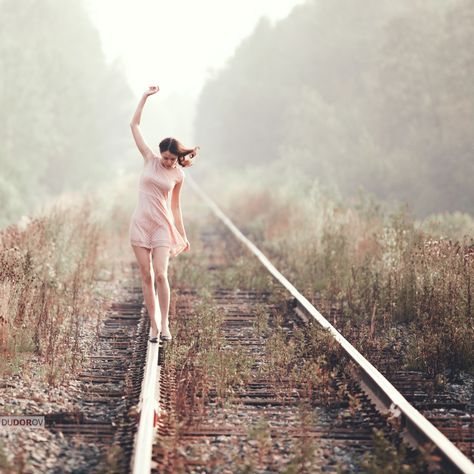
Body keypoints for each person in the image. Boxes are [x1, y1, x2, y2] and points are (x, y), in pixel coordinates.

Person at [129, 85, 199, 343]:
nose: (168, 162)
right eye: (166, 157)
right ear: (160, 153)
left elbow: (176, 207)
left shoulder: (178, 175)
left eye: (172, 159)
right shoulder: (149, 159)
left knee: (161, 274)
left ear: (177, 158)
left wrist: (182, 234)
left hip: (161, 226)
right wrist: (144, 97)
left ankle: (165, 324)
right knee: (146, 276)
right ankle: (153, 326)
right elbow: (134, 125)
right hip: (140, 224)